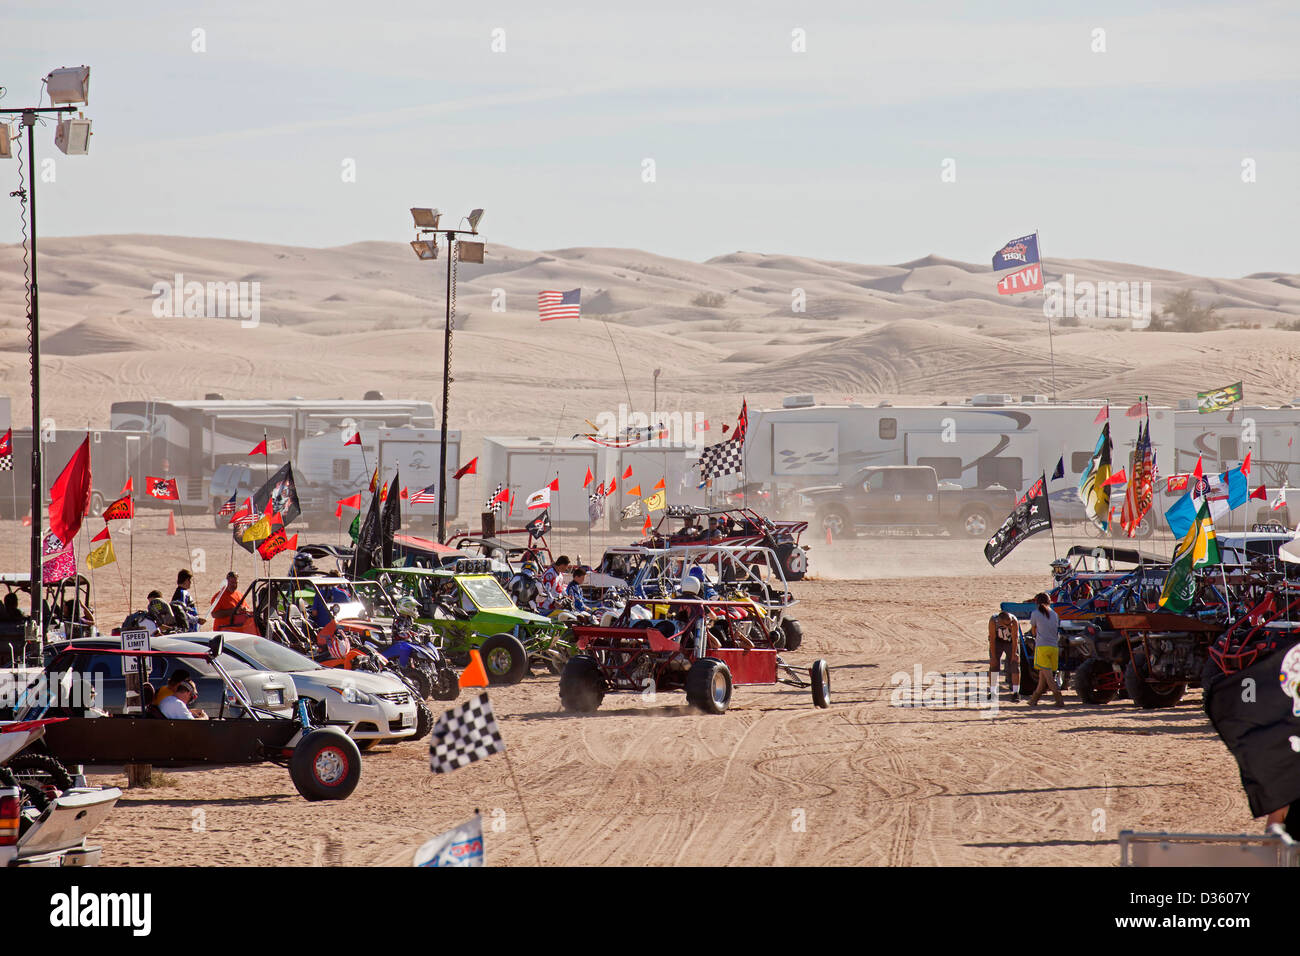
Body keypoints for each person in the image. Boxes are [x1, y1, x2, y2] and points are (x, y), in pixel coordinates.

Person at [1028, 592, 1065, 707]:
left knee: (1048, 677)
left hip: (1042, 647)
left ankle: (1059, 698)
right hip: (1054, 647)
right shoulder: (1054, 614)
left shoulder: (1035, 613)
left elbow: (1033, 631)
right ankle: (1034, 700)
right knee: (1043, 676)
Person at [988, 610, 1020, 696]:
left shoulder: (1014, 621)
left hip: (1010, 642)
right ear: (1000, 622)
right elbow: (992, 639)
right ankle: (992, 691)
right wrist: (994, 657)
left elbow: (1015, 638)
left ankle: (1016, 692)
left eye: (1010, 623)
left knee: (1015, 664)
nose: (1010, 626)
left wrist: (1014, 654)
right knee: (994, 665)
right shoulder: (993, 621)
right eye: (1007, 625)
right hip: (998, 641)